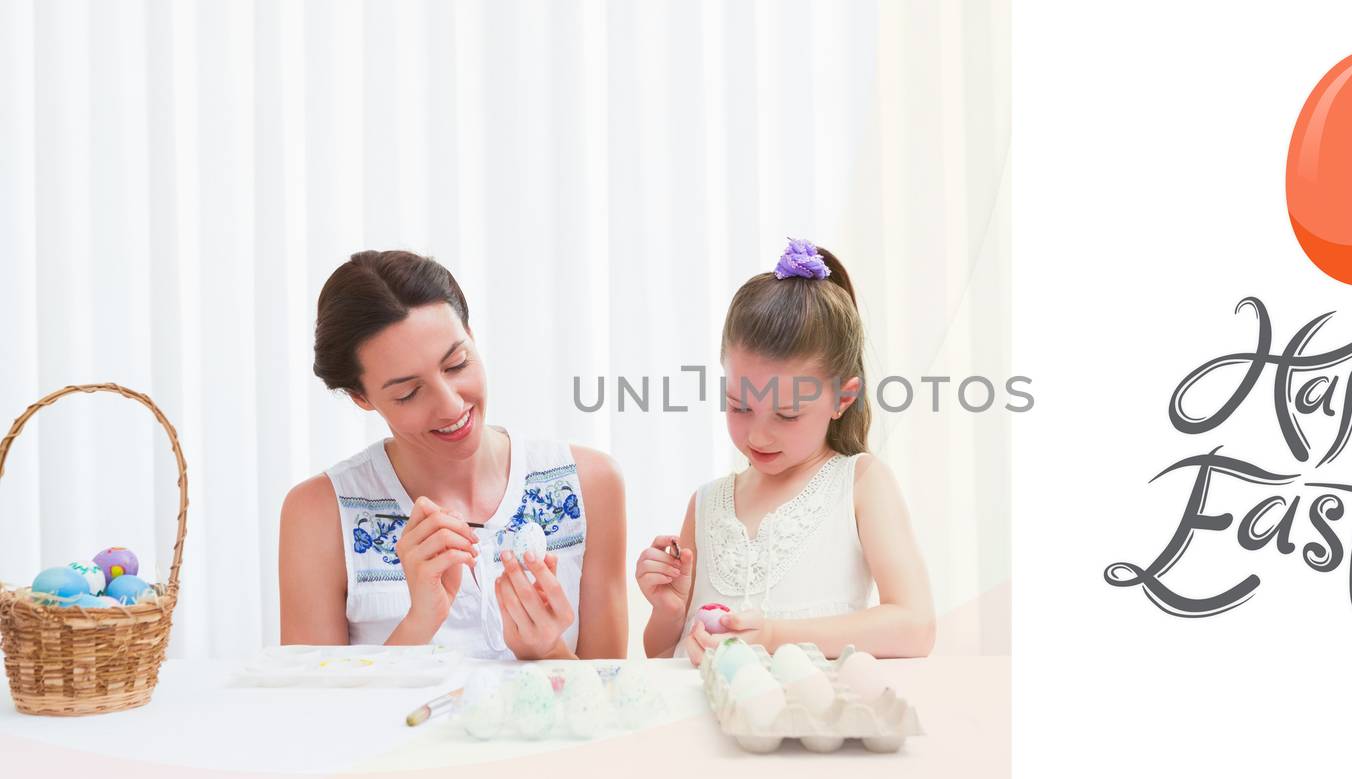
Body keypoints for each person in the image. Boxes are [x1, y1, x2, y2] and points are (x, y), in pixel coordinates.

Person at [279, 250, 626, 659]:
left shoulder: (589, 483)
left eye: (456, 364)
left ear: (472, 337)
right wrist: (419, 622)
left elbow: (611, 707)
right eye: (409, 392)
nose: (449, 406)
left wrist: (548, 650)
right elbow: (314, 713)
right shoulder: (319, 514)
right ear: (362, 397)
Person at [635, 239, 936, 663]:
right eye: (739, 405)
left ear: (842, 399)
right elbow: (665, 655)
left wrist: (775, 636)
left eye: (788, 414)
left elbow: (915, 627)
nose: (759, 435)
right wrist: (667, 612)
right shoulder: (706, 505)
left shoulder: (861, 484)